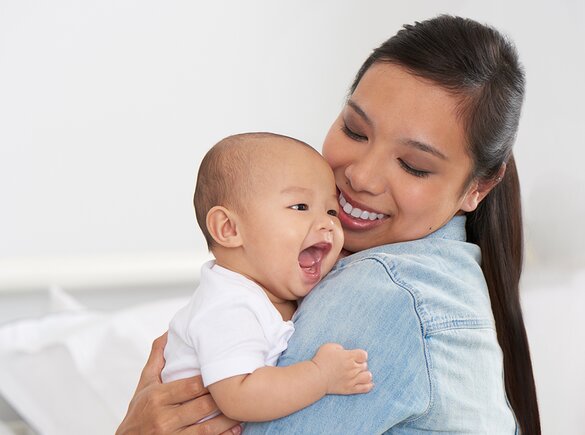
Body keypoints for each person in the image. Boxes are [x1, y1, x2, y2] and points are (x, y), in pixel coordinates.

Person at [117, 14, 540, 434]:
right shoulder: (436, 274)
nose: (361, 177)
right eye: (355, 131)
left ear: (478, 188)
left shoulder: (384, 290)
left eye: (413, 165)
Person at [161, 132, 373, 423]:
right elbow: (241, 396)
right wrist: (320, 375)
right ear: (229, 229)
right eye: (300, 207)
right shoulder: (228, 305)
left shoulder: (273, 290)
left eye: (331, 210)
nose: (327, 224)